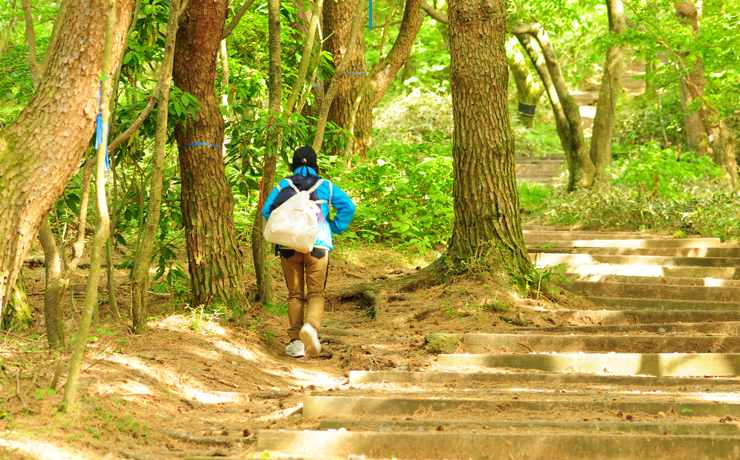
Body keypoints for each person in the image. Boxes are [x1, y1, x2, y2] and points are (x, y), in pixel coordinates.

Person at [261, 146, 355, 358]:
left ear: (293, 166)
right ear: (315, 166)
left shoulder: (283, 185)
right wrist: (334, 227)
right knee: (316, 294)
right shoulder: (327, 186)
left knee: (294, 295)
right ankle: (311, 328)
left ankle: (296, 343)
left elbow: (267, 210)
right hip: (318, 244)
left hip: (288, 246)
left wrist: (284, 230)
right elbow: (348, 207)